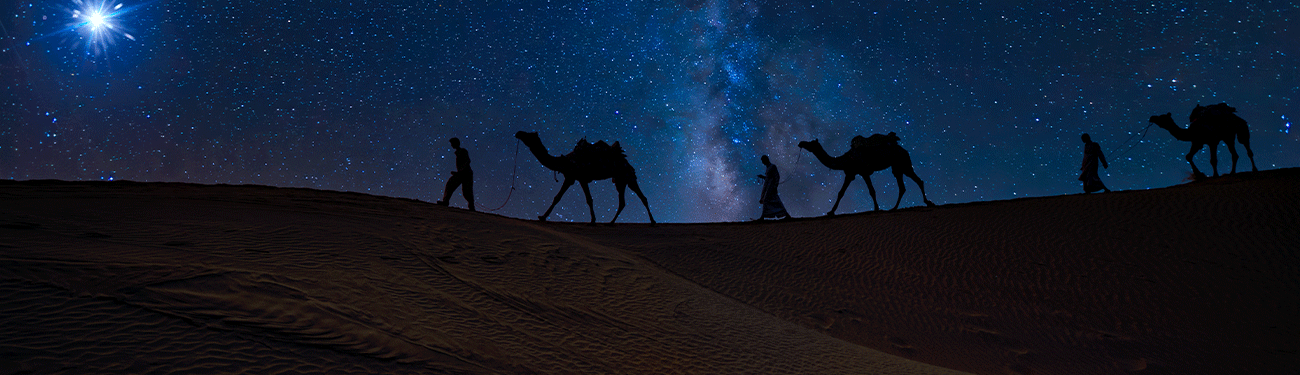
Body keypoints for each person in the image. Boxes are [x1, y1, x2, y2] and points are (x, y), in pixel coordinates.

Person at [436, 137, 475, 210]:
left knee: (467, 192)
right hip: (461, 174)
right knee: (450, 184)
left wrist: (460, 171)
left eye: (452, 144)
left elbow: (467, 161)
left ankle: (471, 207)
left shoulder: (463, 151)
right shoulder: (458, 152)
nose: (451, 145)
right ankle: (445, 201)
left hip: (466, 174)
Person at [757, 155, 791, 220]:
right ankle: (786, 215)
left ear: (766, 160)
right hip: (768, 188)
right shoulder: (768, 168)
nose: (762, 162)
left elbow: (777, 176)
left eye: (763, 161)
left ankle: (762, 217)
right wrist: (763, 177)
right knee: (773, 201)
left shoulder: (772, 167)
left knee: (769, 201)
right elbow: (768, 178)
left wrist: (775, 186)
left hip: (771, 188)